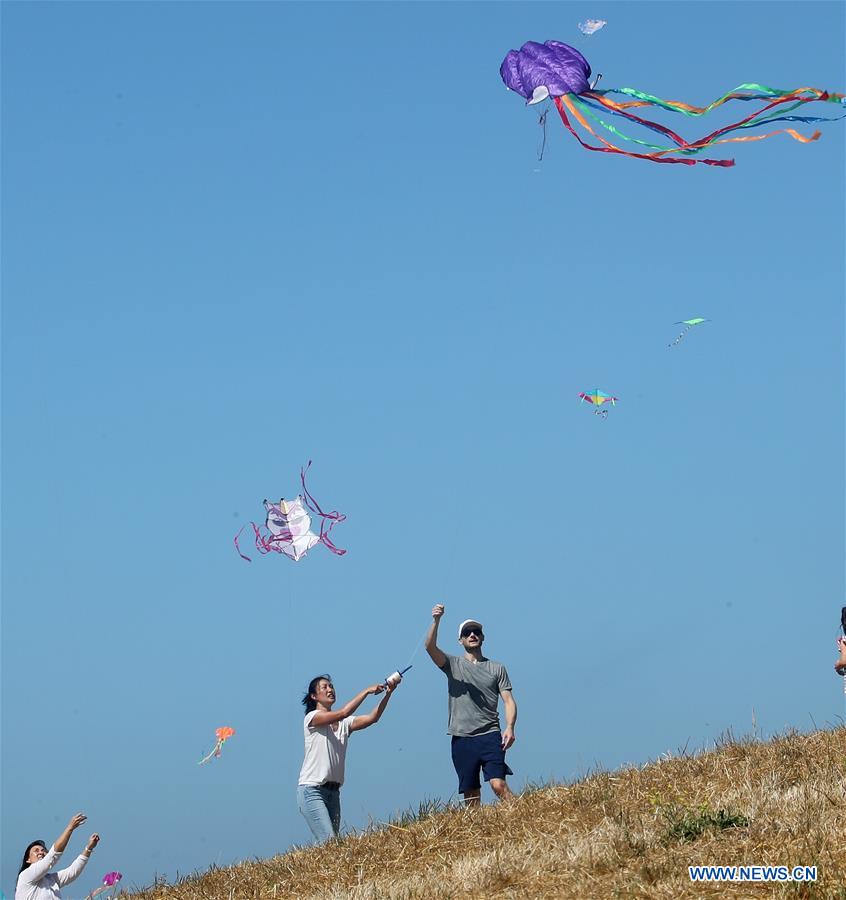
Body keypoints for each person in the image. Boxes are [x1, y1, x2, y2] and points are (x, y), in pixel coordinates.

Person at [425, 603, 517, 806]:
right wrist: (436, 620)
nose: (472, 635)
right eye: (467, 632)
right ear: (461, 640)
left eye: (476, 632)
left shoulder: (496, 668)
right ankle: (478, 835)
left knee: (498, 785)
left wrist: (510, 727)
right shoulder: (453, 664)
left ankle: (524, 815)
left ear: (483, 637)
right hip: (462, 738)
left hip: (490, 734)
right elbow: (430, 647)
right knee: (471, 796)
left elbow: (508, 700)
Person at [297, 673, 400, 843]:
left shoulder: (344, 724)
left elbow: (372, 718)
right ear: (314, 696)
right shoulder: (312, 718)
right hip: (312, 790)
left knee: (331, 843)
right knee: (330, 842)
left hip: (333, 792)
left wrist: (389, 693)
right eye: (325, 687)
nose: (330, 689)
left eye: (331, 686)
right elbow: (343, 712)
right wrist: (366, 691)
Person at [16, 813, 99, 900]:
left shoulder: (50, 879)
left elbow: (72, 872)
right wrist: (70, 828)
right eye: (36, 851)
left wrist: (88, 848)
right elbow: (52, 856)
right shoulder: (25, 875)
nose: (41, 852)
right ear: (28, 860)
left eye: (43, 850)